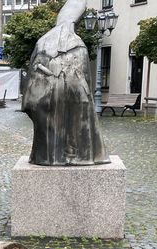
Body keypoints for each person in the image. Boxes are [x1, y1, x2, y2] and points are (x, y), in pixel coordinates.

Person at [21, 0, 110, 166]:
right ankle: (77, 155)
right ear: (74, 21)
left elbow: (31, 73)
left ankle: (47, 157)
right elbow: (85, 80)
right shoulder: (78, 44)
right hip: (70, 97)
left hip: (44, 96)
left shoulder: (42, 42)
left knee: (49, 131)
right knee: (77, 122)